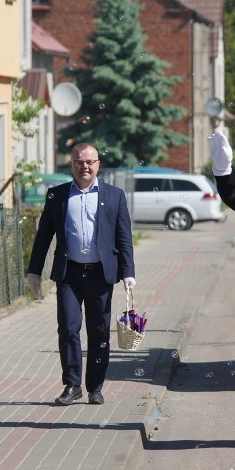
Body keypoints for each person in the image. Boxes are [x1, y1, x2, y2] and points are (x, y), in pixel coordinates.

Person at [27, 143, 136, 406]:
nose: (84, 167)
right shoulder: (58, 196)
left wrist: (128, 272)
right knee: (67, 328)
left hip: (101, 275)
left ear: (98, 164)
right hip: (69, 274)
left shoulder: (114, 195)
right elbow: (43, 236)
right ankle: (72, 384)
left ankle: (95, 388)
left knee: (99, 332)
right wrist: (34, 271)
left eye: (89, 162)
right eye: (78, 162)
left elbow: (124, 237)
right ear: (72, 165)